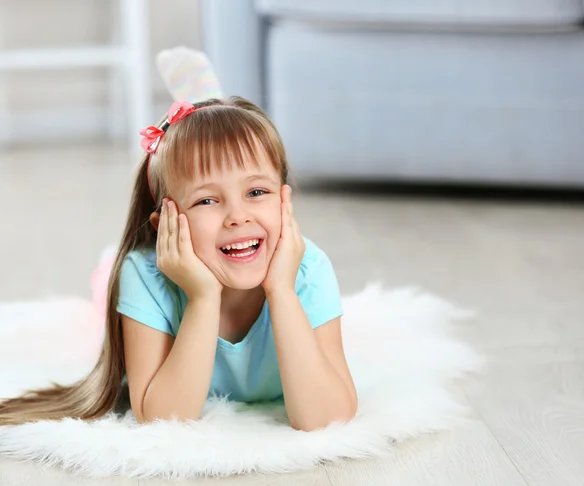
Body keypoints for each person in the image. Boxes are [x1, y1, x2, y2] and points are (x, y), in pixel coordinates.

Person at [0, 97, 357, 431]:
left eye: (256, 192)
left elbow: (327, 419)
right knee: (107, 283)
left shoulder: (308, 269)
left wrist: (281, 292)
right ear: (165, 224)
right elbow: (163, 421)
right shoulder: (144, 275)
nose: (237, 216)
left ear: (284, 201)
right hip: (160, 271)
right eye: (206, 200)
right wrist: (202, 298)